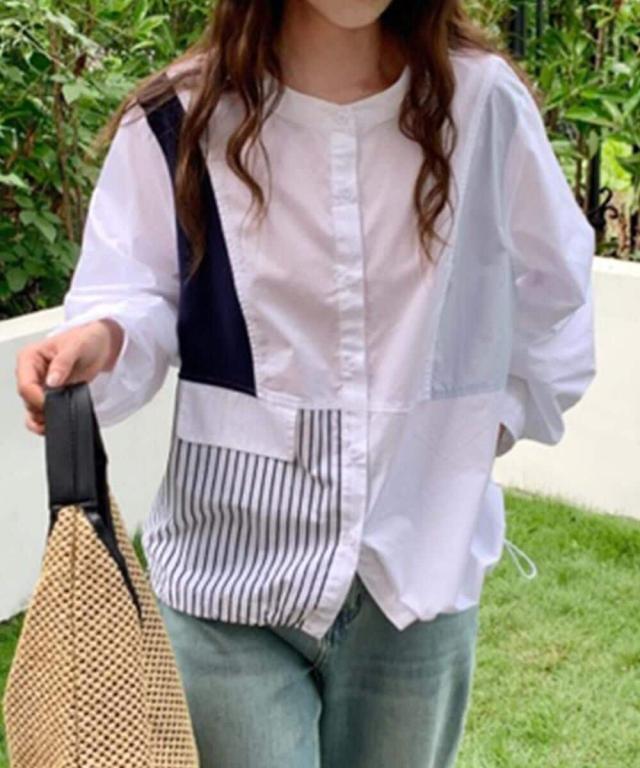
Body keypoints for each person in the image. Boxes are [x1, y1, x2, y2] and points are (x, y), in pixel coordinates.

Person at [15, 1, 596, 766]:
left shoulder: (482, 106)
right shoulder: (179, 115)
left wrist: (487, 427)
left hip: (415, 569)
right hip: (228, 573)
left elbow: (557, 294)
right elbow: (136, 290)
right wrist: (105, 337)